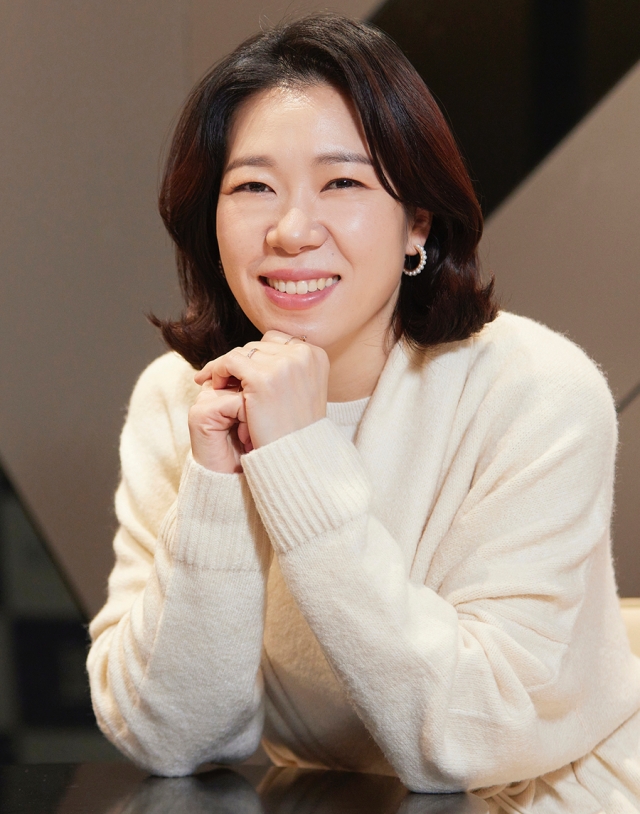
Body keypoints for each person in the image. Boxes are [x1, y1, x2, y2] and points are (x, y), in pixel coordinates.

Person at [87, 13, 640, 812]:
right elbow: (171, 737)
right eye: (252, 187)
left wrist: (298, 459)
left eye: (342, 183)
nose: (291, 231)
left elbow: (470, 739)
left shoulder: (538, 391)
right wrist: (215, 489)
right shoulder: (180, 399)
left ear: (418, 221)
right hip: (329, 802)